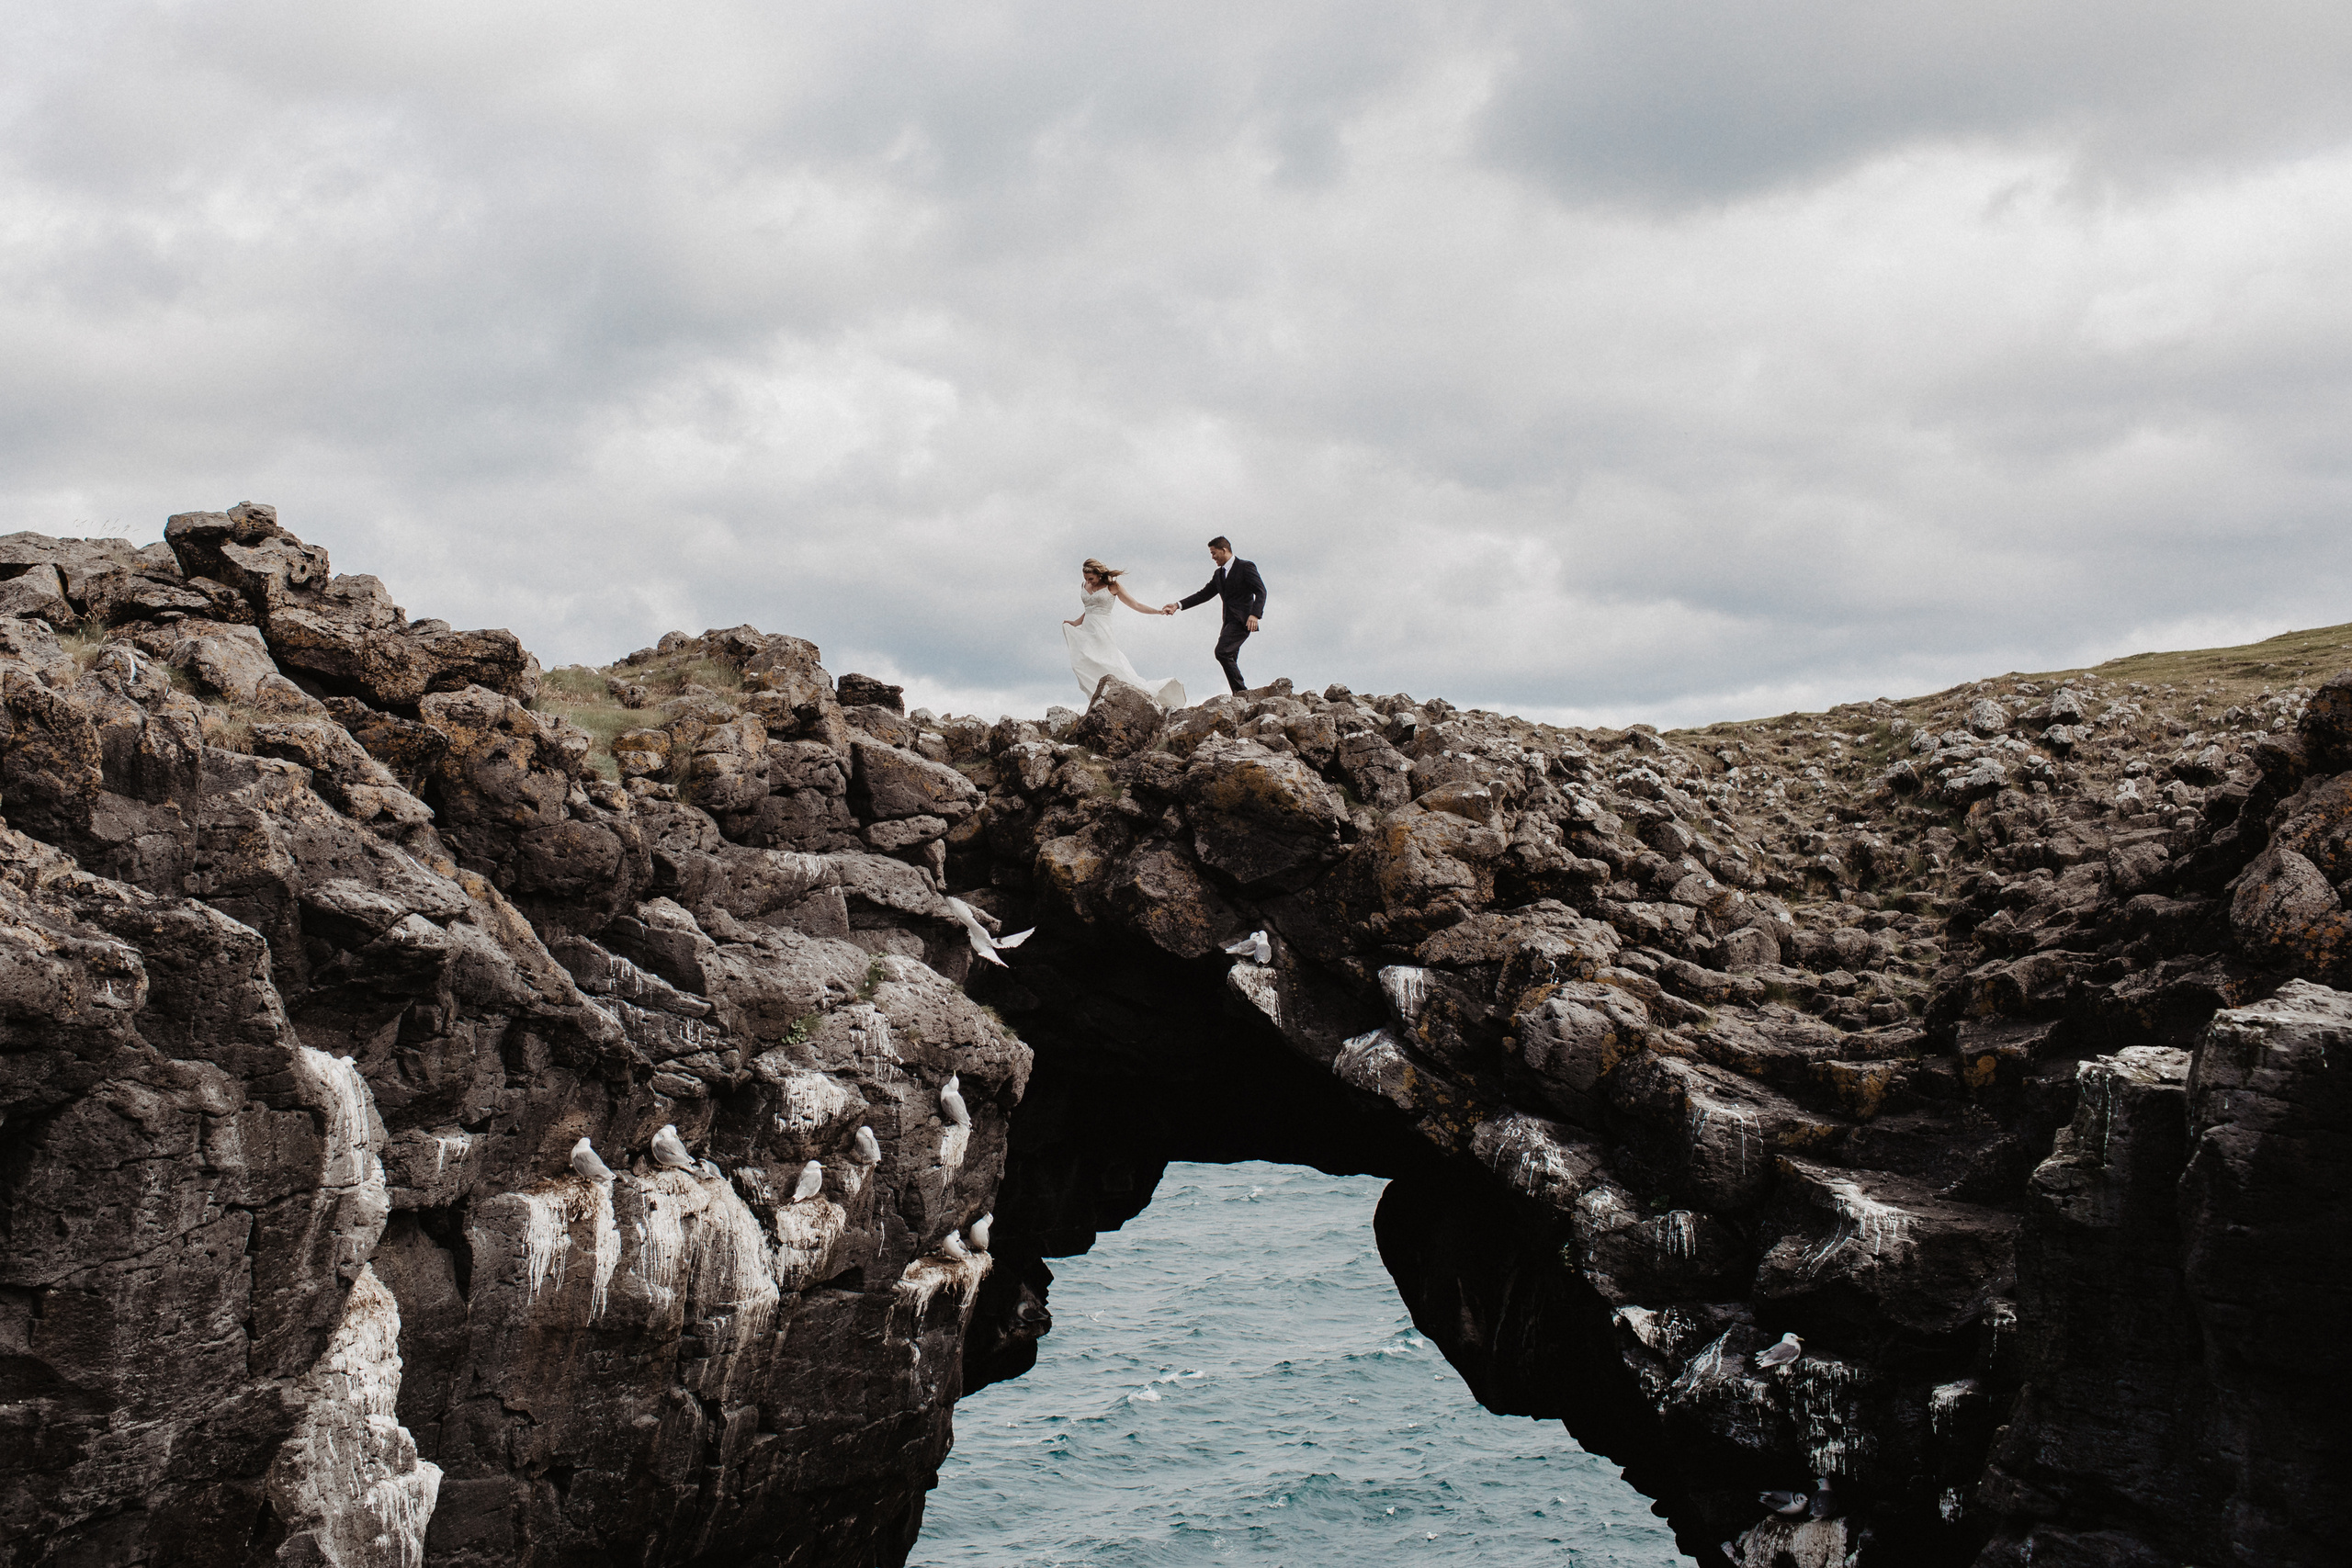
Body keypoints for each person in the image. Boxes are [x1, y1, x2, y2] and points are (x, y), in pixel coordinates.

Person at [1063, 558, 1186, 709]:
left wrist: (1158, 611)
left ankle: (1128, 696)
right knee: (1082, 662)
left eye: (1091, 579)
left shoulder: (1113, 586)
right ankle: (1097, 699)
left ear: (1099, 575)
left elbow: (1135, 604)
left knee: (1108, 663)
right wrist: (1076, 623)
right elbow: (1090, 608)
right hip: (1087, 628)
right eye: (1086, 578)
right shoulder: (1085, 585)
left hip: (1102, 629)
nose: (1088, 582)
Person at [1164, 536, 1266, 694]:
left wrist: (1255, 615)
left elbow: (1261, 591)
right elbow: (1203, 594)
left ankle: (1241, 692)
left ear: (1224, 550)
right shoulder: (1219, 574)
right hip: (1227, 622)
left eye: (1213, 553)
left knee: (1222, 652)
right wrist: (1178, 605)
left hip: (1243, 621)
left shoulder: (1245, 567)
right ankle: (1239, 695)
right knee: (1229, 657)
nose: (1212, 557)